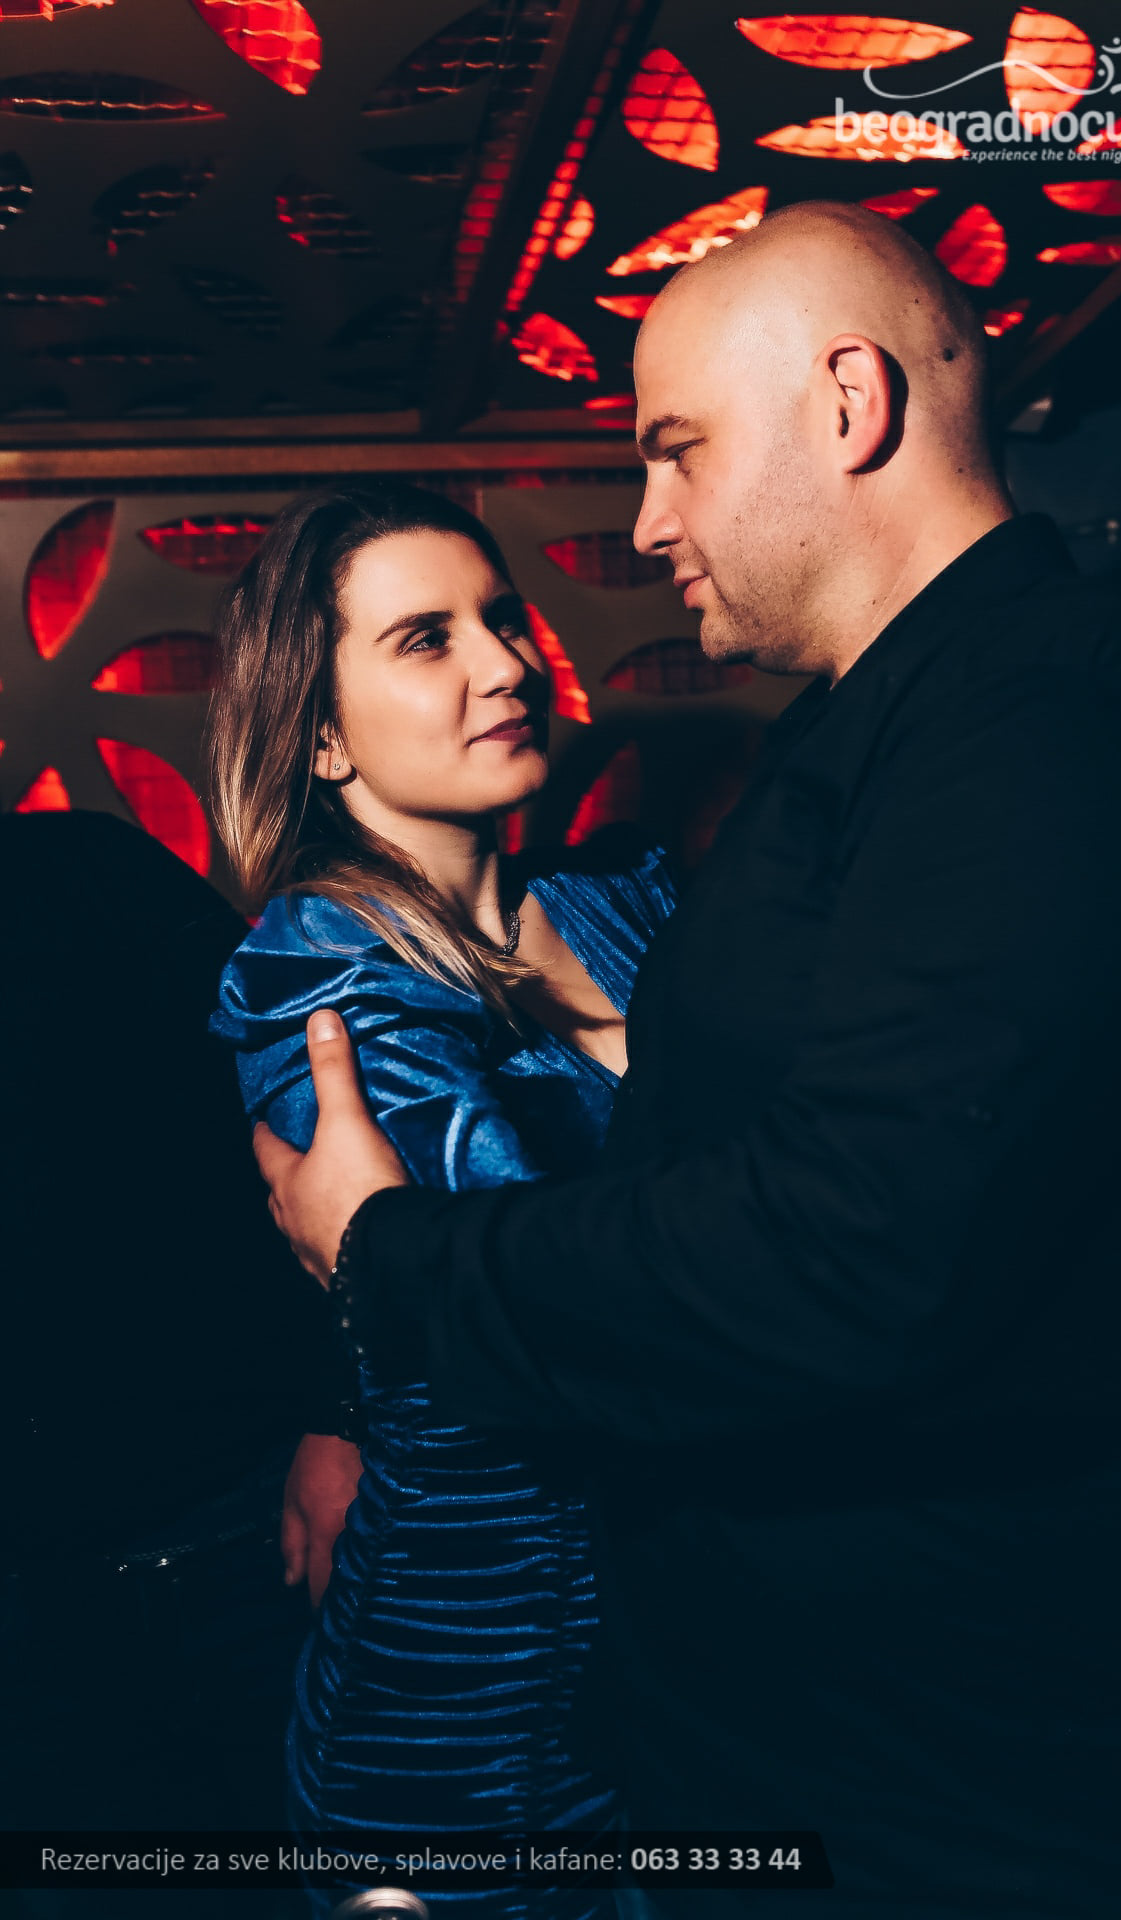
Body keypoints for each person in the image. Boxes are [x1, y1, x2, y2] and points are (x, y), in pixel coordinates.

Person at [252, 202, 1121, 1918]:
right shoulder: (874, 736)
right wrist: (1059, 1337)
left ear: (850, 405)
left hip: (964, 1788)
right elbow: (863, 1219)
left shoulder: (1030, 714)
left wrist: (394, 1260)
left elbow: (850, 1242)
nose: (645, 520)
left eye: (677, 449)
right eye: (426, 638)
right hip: (617, 1697)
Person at [208, 481, 678, 1918]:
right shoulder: (318, 977)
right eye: (427, 638)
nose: (508, 664)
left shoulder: (621, 902)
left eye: (503, 619)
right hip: (469, 1683)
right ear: (323, 735)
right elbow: (535, 1311)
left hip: (681, 1646)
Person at [0, 808, 325, 1920]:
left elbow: (307, 1111)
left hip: (252, 1538)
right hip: (31, 1633)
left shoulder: (83, 869)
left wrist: (343, 1417)